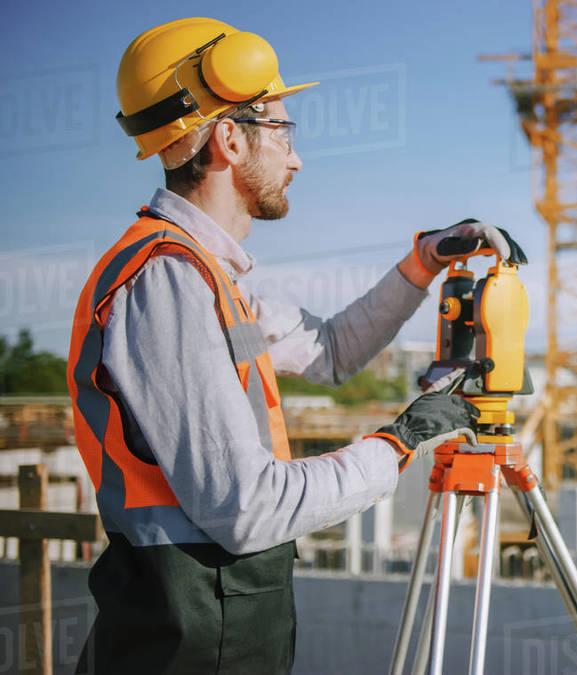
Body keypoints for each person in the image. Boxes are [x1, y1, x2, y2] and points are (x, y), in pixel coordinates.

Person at [66, 17, 524, 673]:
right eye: (283, 131)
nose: (297, 156)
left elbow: (332, 349)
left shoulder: (211, 279)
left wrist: (423, 261)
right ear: (228, 138)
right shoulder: (167, 284)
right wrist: (394, 444)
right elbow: (244, 507)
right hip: (187, 634)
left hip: (218, 618)